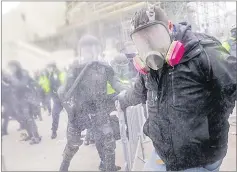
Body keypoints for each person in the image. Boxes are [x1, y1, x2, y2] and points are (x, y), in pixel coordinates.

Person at [117, 6, 236, 171]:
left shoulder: (203, 52)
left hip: (198, 158)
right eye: (142, 39)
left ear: (170, 27)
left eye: (154, 35)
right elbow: (138, 91)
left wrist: (213, 122)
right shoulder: (150, 67)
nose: (150, 44)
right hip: (165, 154)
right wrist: (119, 101)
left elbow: (232, 85)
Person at [58, 35, 125, 171]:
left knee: (107, 140)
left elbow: (115, 81)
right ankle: (63, 167)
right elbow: (65, 88)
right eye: (87, 49)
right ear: (81, 51)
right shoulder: (76, 68)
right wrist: (63, 93)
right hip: (79, 111)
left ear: (99, 50)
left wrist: (125, 90)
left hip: (100, 109)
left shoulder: (104, 67)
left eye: (94, 48)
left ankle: (108, 166)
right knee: (73, 143)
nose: (90, 52)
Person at [7, 61, 42, 144]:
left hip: (26, 99)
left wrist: (13, 81)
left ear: (17, 66)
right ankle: (30, 134)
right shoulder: (13, 75)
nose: (11, 69)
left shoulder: (23, 73)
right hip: (18, 99)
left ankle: (36, 137)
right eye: (10, 67)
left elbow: (22, 84)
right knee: (22, 119)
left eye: (12, 67)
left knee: (29, 118)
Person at [47, 62, 64, 139]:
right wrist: (52, 96)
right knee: (55, 114)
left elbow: (65, 84)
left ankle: (77, 132)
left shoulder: (61, 74)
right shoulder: (50, 75)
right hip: (57, 99)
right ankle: (54, 131)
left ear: (54, 67)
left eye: (50, 67)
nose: (49, 69)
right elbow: (50, 87)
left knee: (73, 115)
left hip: (65, 97)